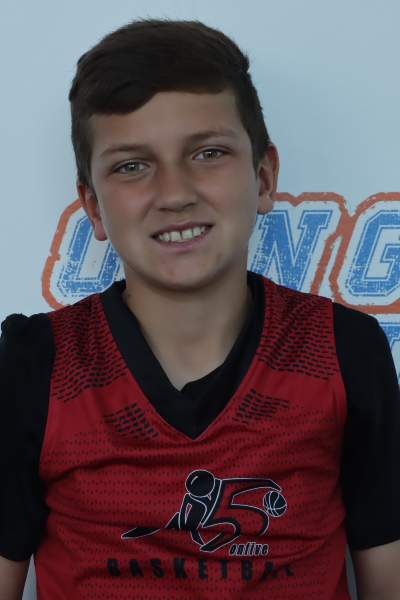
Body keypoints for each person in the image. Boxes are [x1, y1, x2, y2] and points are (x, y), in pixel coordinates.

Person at [1, 18, 400, 600]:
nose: (175, 193)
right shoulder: (35, 364)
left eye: (208, 153)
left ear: (263, 177)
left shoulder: (344, 352)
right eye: (132, 165)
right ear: (93, 206)